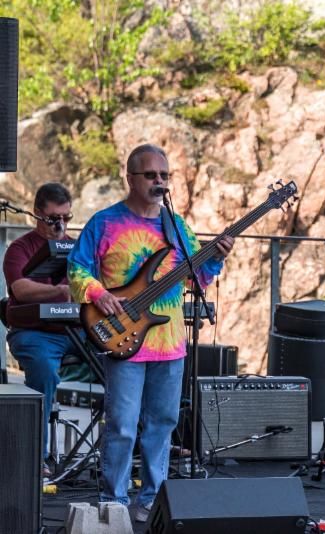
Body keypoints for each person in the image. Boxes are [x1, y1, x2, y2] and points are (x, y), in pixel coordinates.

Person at [67, 144, 234, 522]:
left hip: (169, 342)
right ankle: (116, 501)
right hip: (122, 339)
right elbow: (76, 270)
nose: (159, 181)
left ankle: (152, 499)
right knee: (123, 426)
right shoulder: (105, 223)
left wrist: (217, 257)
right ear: (130, 178)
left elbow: (199, 278)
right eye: (151, 175)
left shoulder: (176, 227)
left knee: (163, 425)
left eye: (164, 175)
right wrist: (100, 294)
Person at [3, 183, 80, 474]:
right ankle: (36, 457)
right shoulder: (19, 248)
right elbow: (20, 289)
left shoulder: (74, 248)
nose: (60, 225)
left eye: (66, 218)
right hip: (33, 333)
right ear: (37, 214)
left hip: (73, 330)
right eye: (53, 218)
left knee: (120, 359)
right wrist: (58, 293)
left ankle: (125, 452)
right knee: (45, 372)